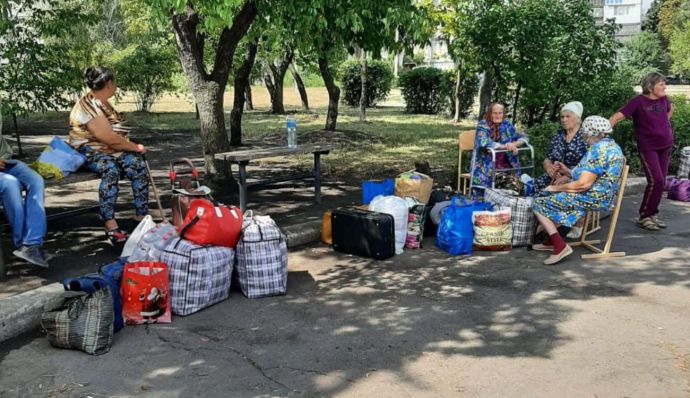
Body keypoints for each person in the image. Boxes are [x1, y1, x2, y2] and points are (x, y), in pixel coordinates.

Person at [68, 67, 149, 244]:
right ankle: (109, 222)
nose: (116, 85)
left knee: (136, 163)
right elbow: (109, 138)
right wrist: (135, 146)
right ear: (109, 84)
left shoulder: (103, 102)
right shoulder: (87, 106)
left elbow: (114, 138)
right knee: (110, 170)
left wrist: (134, 151)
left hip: (109, 149)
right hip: (88, 150)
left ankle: (142, 217)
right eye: (115, 82)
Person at [532, 116, 625, 265]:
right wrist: (568, 171)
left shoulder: (598, 150)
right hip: (601, 195)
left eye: (584, 133)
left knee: (538, 203)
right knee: (557, 199)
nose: (583, 136)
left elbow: (584, 184)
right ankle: (551, 240)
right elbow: (591, 176)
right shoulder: (612, 146)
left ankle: (559, 246)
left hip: (592, 197)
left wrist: (555, 188)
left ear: (592, 133)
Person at [609, 72, 673, 231]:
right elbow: (618, 116)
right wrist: (603, 130)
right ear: (650, 87)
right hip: (648, 147)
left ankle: (652, 214)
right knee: (656, 180)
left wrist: (662, 127)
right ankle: (644, 216)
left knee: (661, 182)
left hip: (665, 145)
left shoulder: (664, 99)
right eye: (661, 84)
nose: (664, 86)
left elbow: (668, 112)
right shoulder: (638, 101)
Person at [533, 101, 589, 239]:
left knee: (560, 190)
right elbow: (547, 158)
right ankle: (545, 224)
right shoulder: (558, 135)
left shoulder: (585, 136)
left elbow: (589, 166)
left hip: (576, 177)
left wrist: (570, 176)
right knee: (537, 185)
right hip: (555, 175)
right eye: (562, 117)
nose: (564, 120)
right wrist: (549, 168)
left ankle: (574, 222)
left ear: (578, 118)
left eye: (568, 116)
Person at [0, 135, 49, 267]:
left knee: (36, 180)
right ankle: (22, 244)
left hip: (4, 162)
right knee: (10, 184)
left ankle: (33, 243)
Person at [470, 103, 528, 199]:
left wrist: (514, 145)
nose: (497, 116)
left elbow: (523, 136)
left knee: (517, 188)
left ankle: (507, 206)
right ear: (490, 113)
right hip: (485, 166)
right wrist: (504, 146)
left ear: (503, 114)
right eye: (494, 113)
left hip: (506, 165)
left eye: (500, 113)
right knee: (509, 187)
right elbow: (483, 141)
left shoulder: (507, 124)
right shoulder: (483, 125)